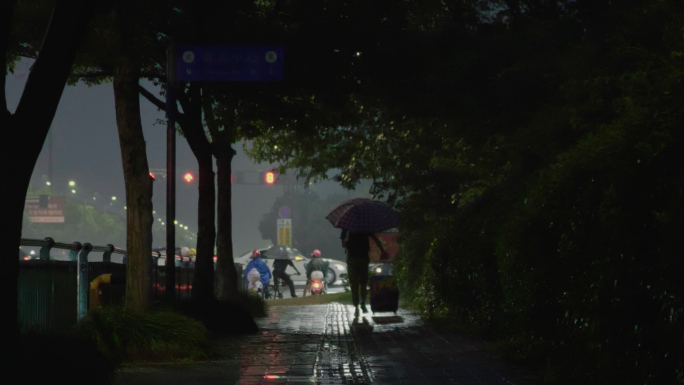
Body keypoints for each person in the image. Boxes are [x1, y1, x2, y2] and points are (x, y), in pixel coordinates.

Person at [341, 230, 388, 316]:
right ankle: (362, 302)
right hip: (363, 258)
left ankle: (356, 305)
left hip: (352, 258)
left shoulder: (347, 226)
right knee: (363, 282)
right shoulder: (365, 226)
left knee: (354, 284)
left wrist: (347, 242)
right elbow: (375, 239)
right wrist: (382, 250)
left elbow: (343, 244)